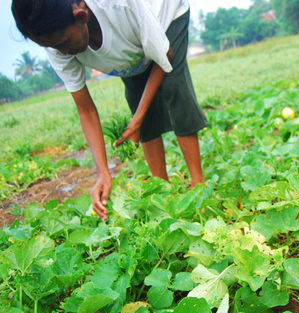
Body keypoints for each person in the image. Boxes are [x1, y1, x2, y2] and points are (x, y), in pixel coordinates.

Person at [11, 0, 208, 220]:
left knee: (174, 89)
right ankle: (161, 188)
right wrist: (103, 172)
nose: (63, 52)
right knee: (137, 99)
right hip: (131, 49)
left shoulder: (120, 7)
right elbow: (85, 110)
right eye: (55, 47)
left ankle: (198, 184)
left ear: (81, 16)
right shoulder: (56, 42)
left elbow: (165, 57)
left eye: (64, 43)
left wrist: (138, 118)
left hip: (166, 15)